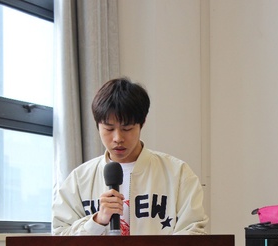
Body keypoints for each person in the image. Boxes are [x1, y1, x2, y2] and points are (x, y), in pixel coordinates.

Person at [52, 78, 208, 235]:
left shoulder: (177, 173)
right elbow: (60, 237)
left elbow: (194, 234)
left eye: (127, 129)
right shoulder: (79, 179)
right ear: (98, 125)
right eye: (109, 129)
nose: (118, 138)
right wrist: (97, 221)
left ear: (142, 123)